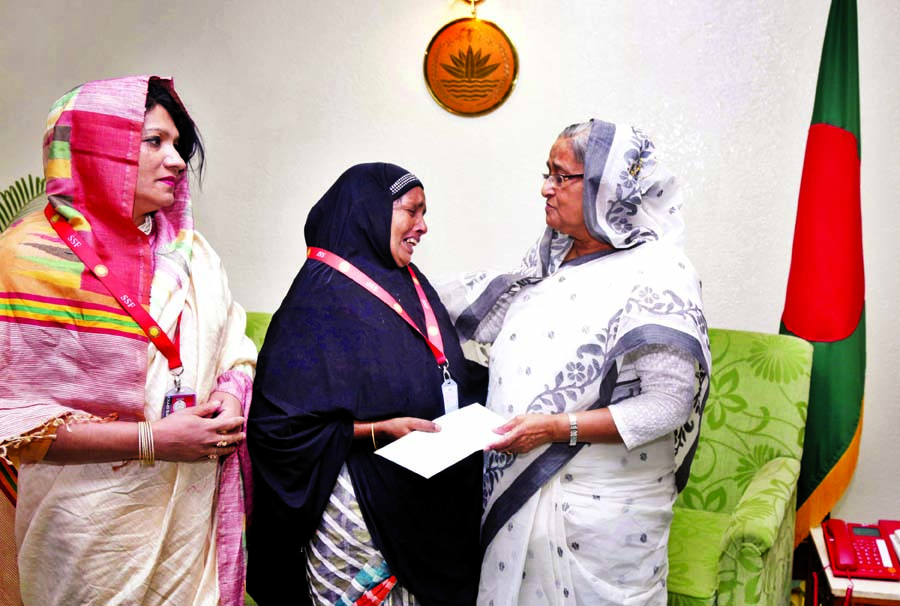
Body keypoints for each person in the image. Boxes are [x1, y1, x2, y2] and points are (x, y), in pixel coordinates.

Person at [0, 76, 257, 606]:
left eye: (178, 145)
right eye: (153, 142)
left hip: (188, 510)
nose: (178, 160)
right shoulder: (27, 260)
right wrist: (154, 441)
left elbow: (233, 343)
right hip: (89, 530)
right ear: (96, 149)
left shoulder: (193, 253)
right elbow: (15, 421)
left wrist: (229, 398)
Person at [439, 119, 711, 605]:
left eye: (560, 176)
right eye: (546, 173)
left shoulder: (660, 272)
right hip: (520, 487)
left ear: (606, 190)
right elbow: (486, 312)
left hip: (599, 515)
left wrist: (553, 428)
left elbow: (668, 405)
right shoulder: (551, 260)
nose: (545, 188)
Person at [246, 163, 488, 606]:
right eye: (411, 212)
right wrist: (380, 429)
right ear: (370, 212)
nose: (423, 226)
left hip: (428, 505)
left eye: (425, 213)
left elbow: (443, 370)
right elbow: (275, 429)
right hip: (357, 515)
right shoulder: (319, 300)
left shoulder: (412, 284)